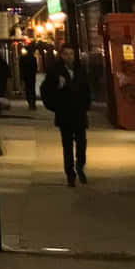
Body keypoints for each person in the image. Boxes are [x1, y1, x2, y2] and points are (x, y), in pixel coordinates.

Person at [50, 45, 91, 185]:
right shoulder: (55, 72)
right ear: (61, 55)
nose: (69, 57)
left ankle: (80, 166)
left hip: (79, 113)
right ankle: (70, 174)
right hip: (65, 114)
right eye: (66, 54)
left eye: (71, 54)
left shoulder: (80, 70)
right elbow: (46, 91)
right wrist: (57, 89)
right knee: (67, 145)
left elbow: (86, 89)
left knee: (81, 143)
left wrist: (86, 105)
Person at [20, 44, 39, 110]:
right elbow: (35, 67)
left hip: (26, 75)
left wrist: (22, 76)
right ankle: (33, 103)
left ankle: (29, 103)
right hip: (32, 76)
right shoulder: (33, 58)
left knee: (27, 89)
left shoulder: (23, 58)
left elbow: (21, 67)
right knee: (32, 89)